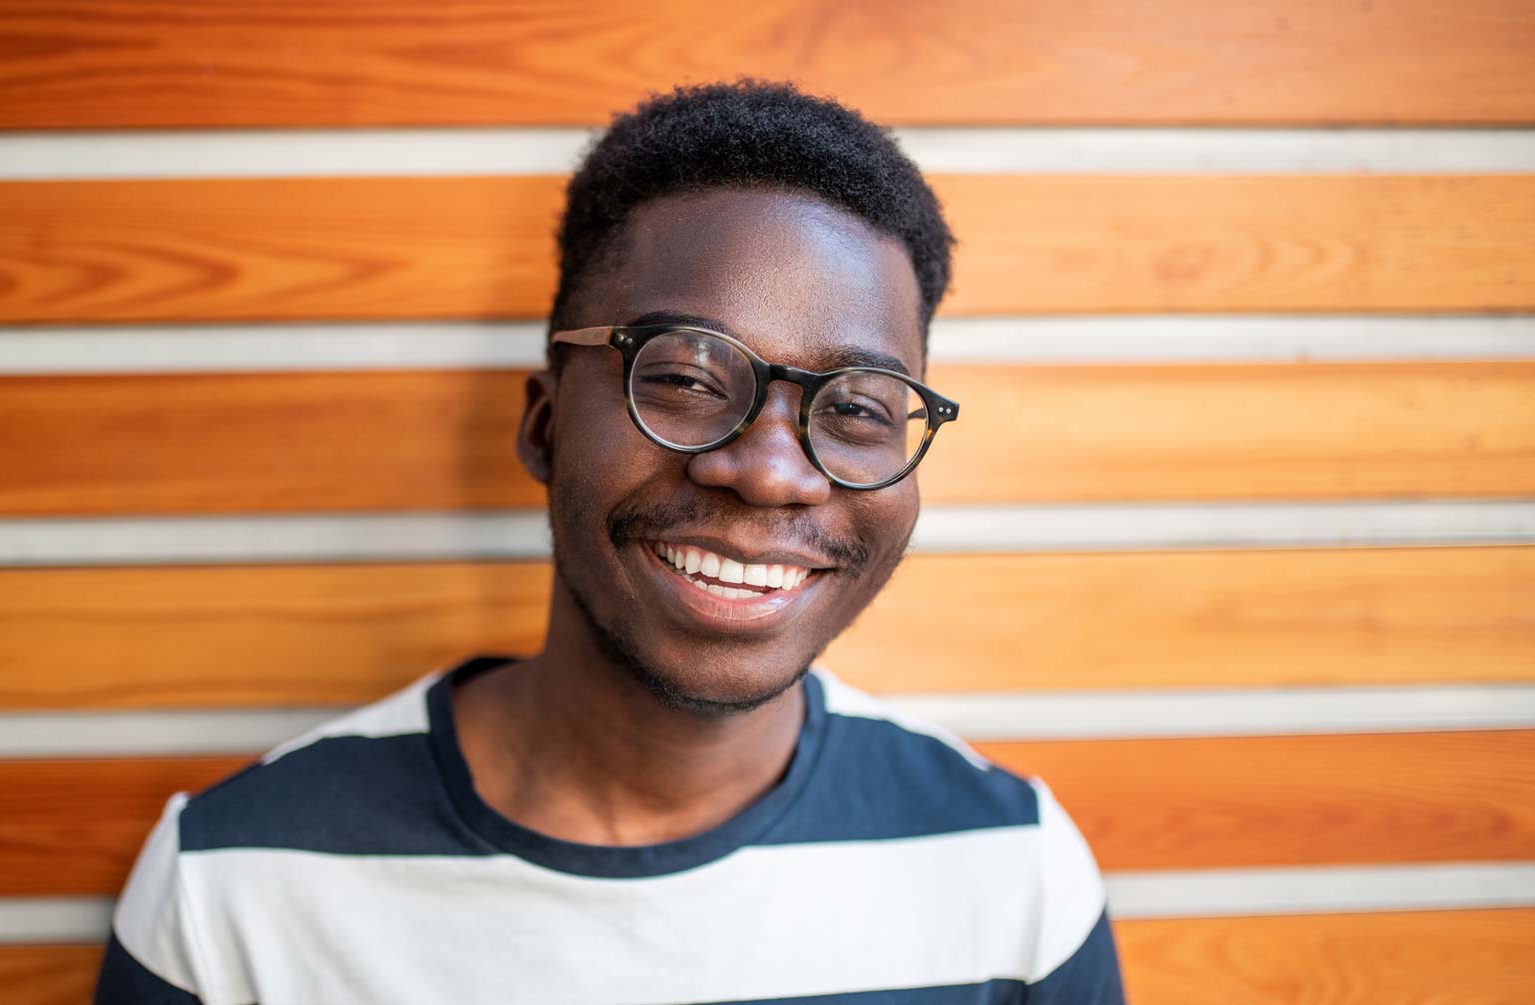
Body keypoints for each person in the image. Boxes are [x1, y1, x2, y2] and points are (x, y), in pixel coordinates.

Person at [96, 79, 1125, 1004]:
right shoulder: (232, 889)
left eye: (858, 406)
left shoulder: (1011, 878)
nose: (772, 471)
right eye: (684, 378)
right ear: (545, 425)